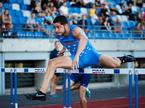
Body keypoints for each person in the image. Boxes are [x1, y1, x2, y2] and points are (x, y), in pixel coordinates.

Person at [26, 15, 135, 108]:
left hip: (92, 56)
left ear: (65, 25)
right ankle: (42, 93)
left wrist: (77, 55)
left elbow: (84, 39)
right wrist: (63, 51)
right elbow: (68, 43)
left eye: (58, 27)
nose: (56, 30)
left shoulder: (75, 30)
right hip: (76, 60)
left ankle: (123, 58)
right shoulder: (59, 35)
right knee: (52, 63)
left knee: (115, 64)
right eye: (54, 28)